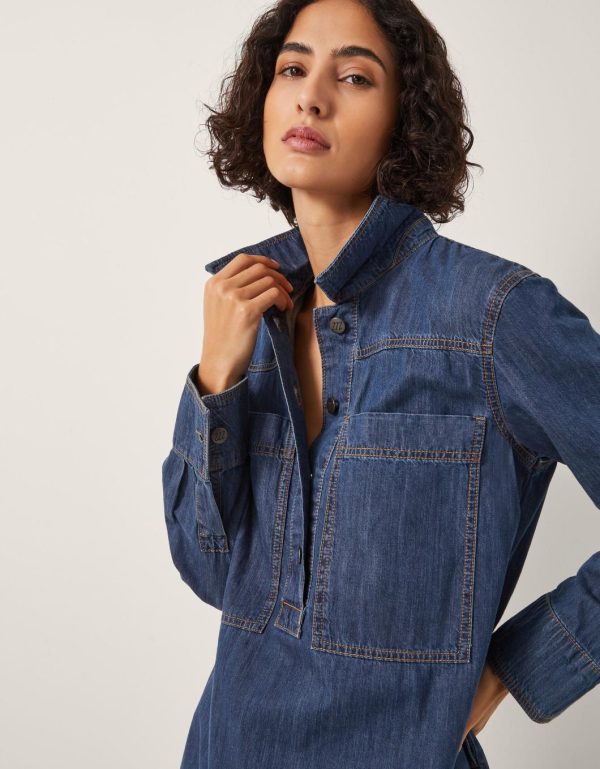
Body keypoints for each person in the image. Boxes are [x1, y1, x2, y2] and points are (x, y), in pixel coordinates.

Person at [161, 1, 600, 767]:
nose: (310, 97)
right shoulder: (248, 316)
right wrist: (215, 376)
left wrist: (512, 670)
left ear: (407, 118)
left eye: (355, 76)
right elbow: (209, 571)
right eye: (292, 68)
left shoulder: (495, 314)